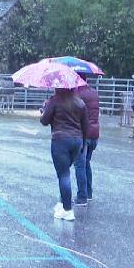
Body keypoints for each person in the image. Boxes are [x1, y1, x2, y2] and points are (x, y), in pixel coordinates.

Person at [41, 88, 91, 221]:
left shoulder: (55, 100)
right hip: (77, 141)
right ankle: (63, 204)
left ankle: (67, 210)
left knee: (63, 175)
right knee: (65, 173)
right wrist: (83, 144)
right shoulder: (80, 103)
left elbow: (44, 121)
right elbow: (86, 126)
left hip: (60, 140)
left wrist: (44, 109)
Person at [73, 76, 100, 203]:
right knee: (86, 163)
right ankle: (88, 193)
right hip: (94, 134)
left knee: (79, 165)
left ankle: (82, 197)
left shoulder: (77, 94)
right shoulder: (94, 93)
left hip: (83, 135)